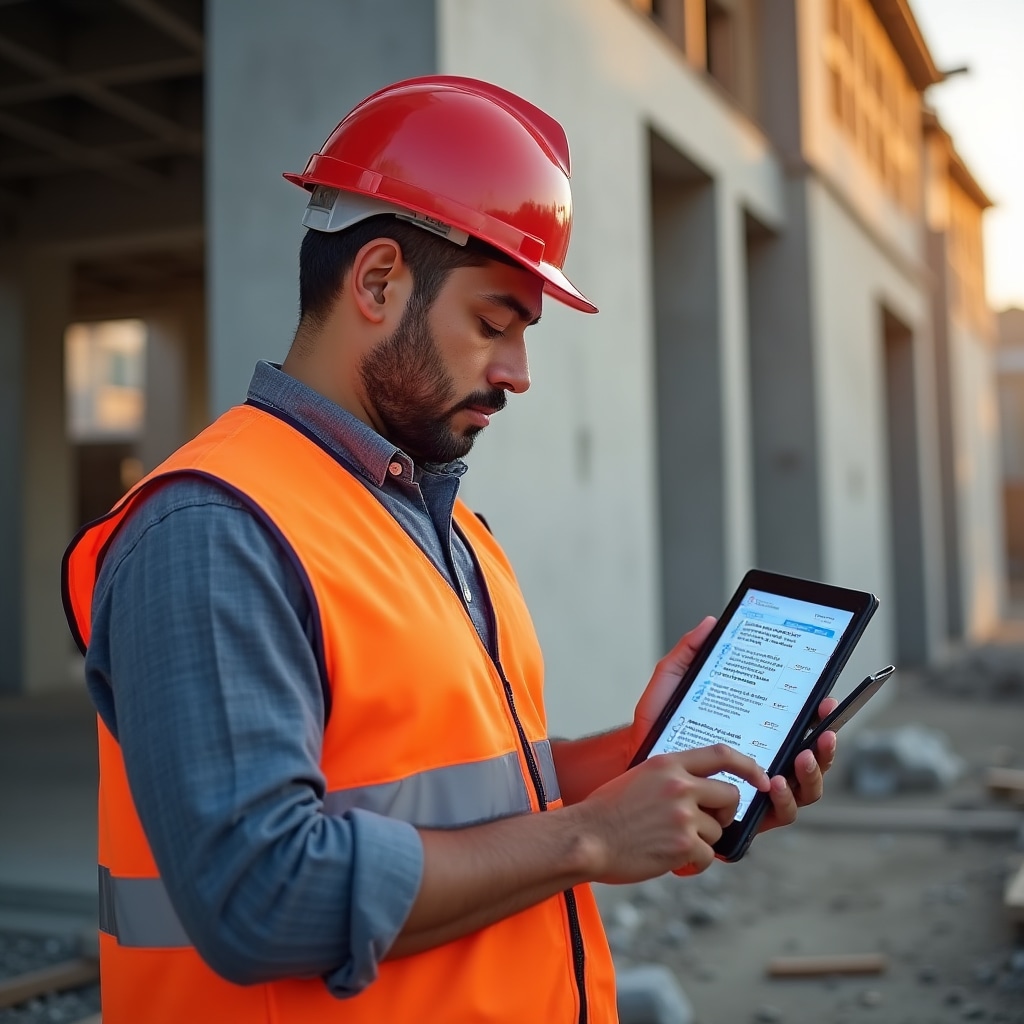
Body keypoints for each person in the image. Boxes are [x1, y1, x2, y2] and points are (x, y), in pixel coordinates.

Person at [63, 76, 838, 1024]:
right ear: (379, 281)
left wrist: (638, 760)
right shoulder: (213, 530)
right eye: (492, 324)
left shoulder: (445, 526)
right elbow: (257, 895)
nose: (517, 372)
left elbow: (459, 793)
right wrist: (587, 840)